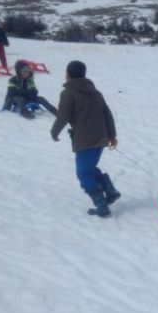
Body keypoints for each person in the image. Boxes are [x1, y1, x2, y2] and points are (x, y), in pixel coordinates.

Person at [50, 61, 120, 218]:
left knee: (83, 174)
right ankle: (110, 190)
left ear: (68, 74)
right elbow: (107, 114)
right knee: (89, 168)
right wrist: (112, 135)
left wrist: (54, 132)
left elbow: (63, 116)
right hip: (100, 138)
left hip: (84, 140)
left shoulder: (68, 93)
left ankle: (101, 205)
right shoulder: (95, 92)